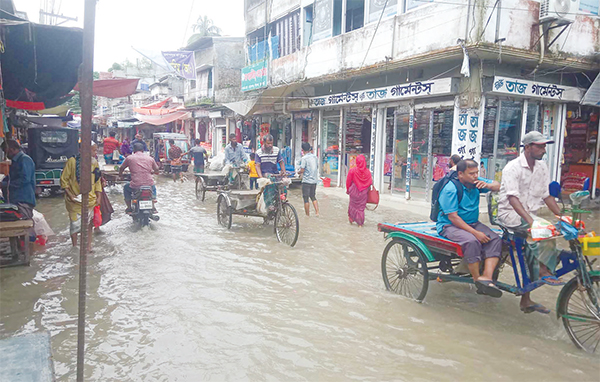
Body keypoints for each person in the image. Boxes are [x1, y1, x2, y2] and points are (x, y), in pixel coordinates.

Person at [497, 131, 563, 314]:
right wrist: (531, 222)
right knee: (540, 233)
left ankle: (529, 294)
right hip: (510, 214)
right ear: (527, 147)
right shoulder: (513, 167)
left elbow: (546, 195)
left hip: (530, 215)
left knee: (552, 231)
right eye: (539, 146)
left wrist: (561, 216)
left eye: (544, 146)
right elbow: (512, 198)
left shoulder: (542, 167)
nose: (543, 150)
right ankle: (543, 270)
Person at [437, 159, 502, 296]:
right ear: (460, 174)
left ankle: (487, 278)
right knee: (472, 241)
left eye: (476, 173)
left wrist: (488, 186)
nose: (475, 176)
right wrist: (475, 233)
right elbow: (453, 217)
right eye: (471, 173)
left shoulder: (475, 182)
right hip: (449, 225)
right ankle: (476, 278)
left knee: (495, 239)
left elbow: (498, 185)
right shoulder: (450, 188)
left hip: (473, 222)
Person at [60, 142, 103, 249]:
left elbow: (97, 181)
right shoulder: (72, 162)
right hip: (75, 201)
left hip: (90, 199)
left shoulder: (94, 163)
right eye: (93, 150)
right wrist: (70, 195)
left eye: (96, 150)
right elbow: (64, 180)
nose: (95, 153)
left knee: (89, 225)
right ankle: (75, 246)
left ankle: (88, 246)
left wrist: (99, 196)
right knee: (74, 225)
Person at [1, 139, 36, 220]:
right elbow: (10, 178)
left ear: (11, 149)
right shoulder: (16, 161)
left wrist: (4, 184)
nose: (5, 154)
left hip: (22, 201)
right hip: (16, 200)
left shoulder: (25, 160)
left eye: (5, 151)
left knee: (21, 222)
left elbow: (25, 180)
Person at [119, 143, 159, 214]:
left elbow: (122, 168)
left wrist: (120, 175)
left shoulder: (129, 158)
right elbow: (157, 170)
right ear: (142, 150)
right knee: (153, 187)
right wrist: (152, 172)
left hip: (135, 185)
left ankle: (129, 207)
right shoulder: (150, 158)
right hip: (149, 184)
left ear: (134, 150)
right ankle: (153, 204)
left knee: (126, 187)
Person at [346, 154, 372, 227]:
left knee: (352, 205)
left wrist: (348, 190)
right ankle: (360, 224)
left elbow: (348, 182)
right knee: (360, 208)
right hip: (363, 192)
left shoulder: (352, 171)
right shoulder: (368, 172)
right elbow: (370, 182)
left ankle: (351, 219)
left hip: (354, 191)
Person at [298, 142, 320, 217]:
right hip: (314, 181)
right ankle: (317, 212)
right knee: (313, 196)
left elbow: (302, 170)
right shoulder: (315, 157)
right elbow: (316, 167)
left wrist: (298, 172)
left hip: (306, 181)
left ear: (302, 150)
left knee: (306, 198)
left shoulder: (304, 158)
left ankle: (307, 215)